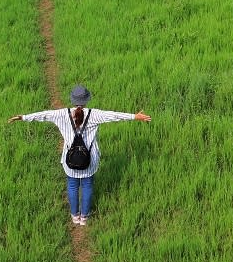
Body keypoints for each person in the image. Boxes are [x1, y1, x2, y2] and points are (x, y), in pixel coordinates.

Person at [8, 84, 151, 226]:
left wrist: (23, 117)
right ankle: (84, 218)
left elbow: (43, 115)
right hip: (90, 159)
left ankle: (74, 216)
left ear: (72, 99)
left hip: (70, 160)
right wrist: (135, 116)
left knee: (72, 186)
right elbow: (114, 115)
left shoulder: (61, 114)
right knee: (88, 185)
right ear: (87, 99)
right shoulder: (94, 114)